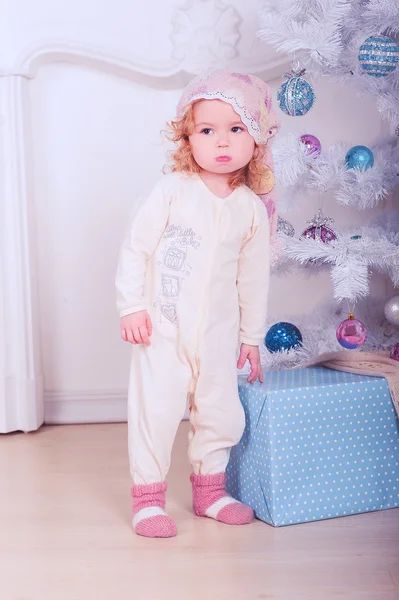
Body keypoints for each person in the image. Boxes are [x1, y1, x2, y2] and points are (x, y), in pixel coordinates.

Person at [115, 69, 280, 538]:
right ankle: (148, 500)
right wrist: (132, 306)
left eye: (236, 129)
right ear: (188, 138)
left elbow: (253, 278)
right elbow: (136, 247)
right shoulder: (172, 190)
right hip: (162, 328)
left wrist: (250, 338)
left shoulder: (249, 207)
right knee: (158, 410)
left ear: (256, 141)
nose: (221, 142)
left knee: (221, 411)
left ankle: (209, 492)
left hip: (218, 334)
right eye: (207, 130)